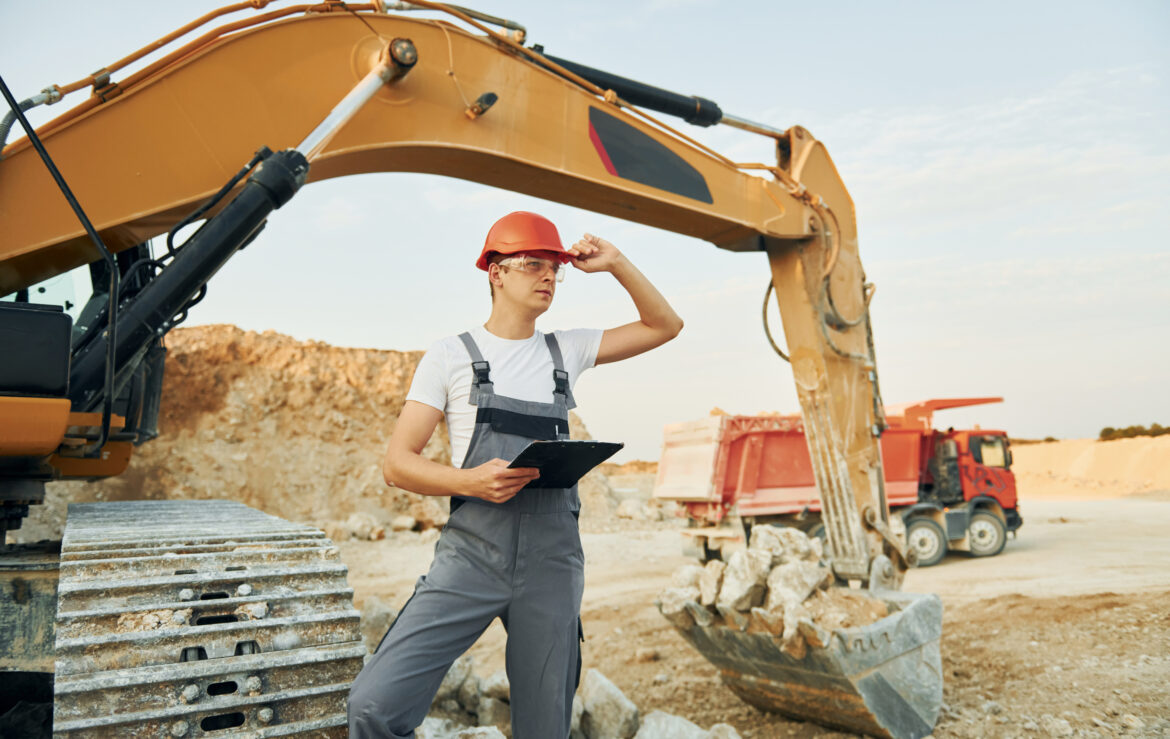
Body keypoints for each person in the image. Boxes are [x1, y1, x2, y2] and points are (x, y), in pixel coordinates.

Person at [347, 211, 683, 738]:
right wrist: (470, 482)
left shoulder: (564, 351)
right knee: (373, 707)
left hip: (552, 562)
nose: (548, 276)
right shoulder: (451, 356)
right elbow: (397, 463)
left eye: (555, 267)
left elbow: (665, 325)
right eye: (532, 264)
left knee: (544, 728)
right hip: (473, 554)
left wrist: (616, 263)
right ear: (495, 272)